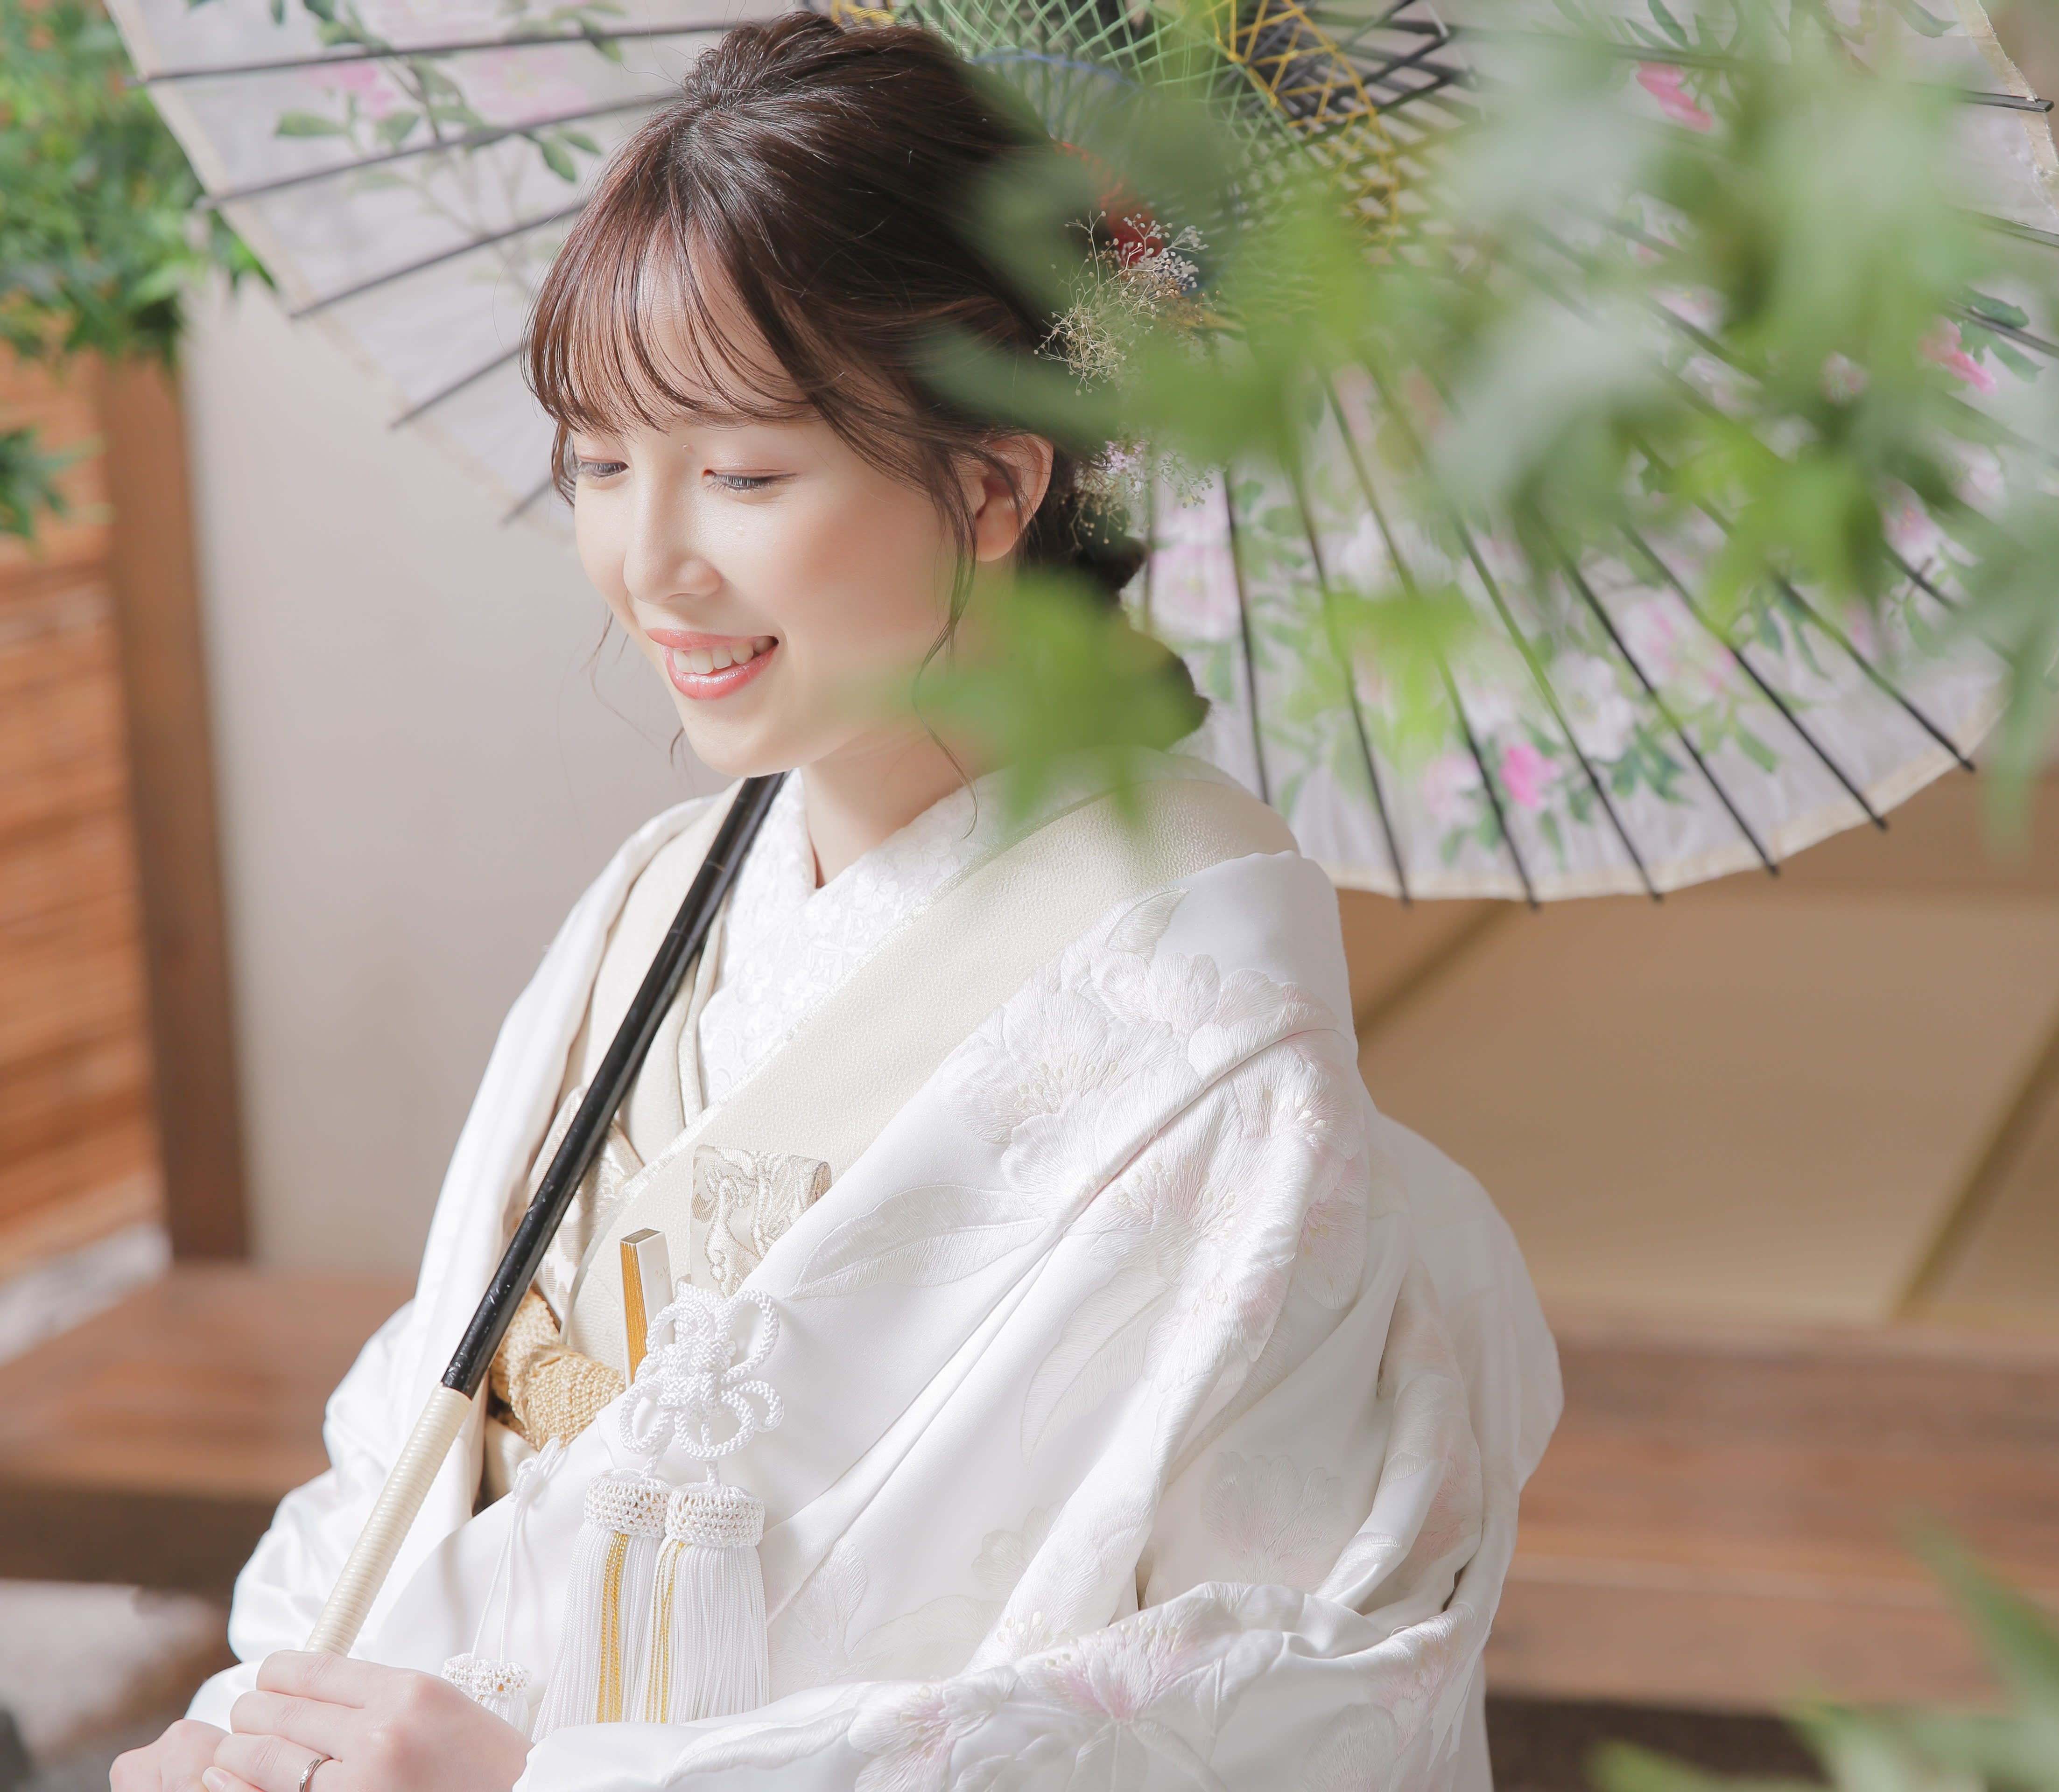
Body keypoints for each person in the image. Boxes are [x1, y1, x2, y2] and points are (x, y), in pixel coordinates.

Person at [112, 16, 1557, 1792]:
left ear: (996, 483)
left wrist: (548, 1784)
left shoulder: (1209, 1043)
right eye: (598, 460)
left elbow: (1213, 1709)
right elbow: (436, 1405)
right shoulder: (665, 895)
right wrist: (253, 1720)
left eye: (740, 473)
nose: (649, 563)